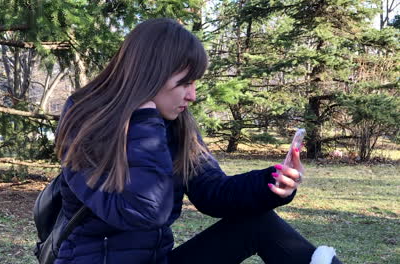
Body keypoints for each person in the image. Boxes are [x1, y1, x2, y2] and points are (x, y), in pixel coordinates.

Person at [54, 18, 342, 264]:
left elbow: (212, 192)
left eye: (195, 84)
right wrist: (145, 120)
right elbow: (143, 212)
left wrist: (274, 184)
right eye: (184, 83)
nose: (192, 95)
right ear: (150, 75)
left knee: (259, 225)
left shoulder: (176, 123)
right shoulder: (87, 121)